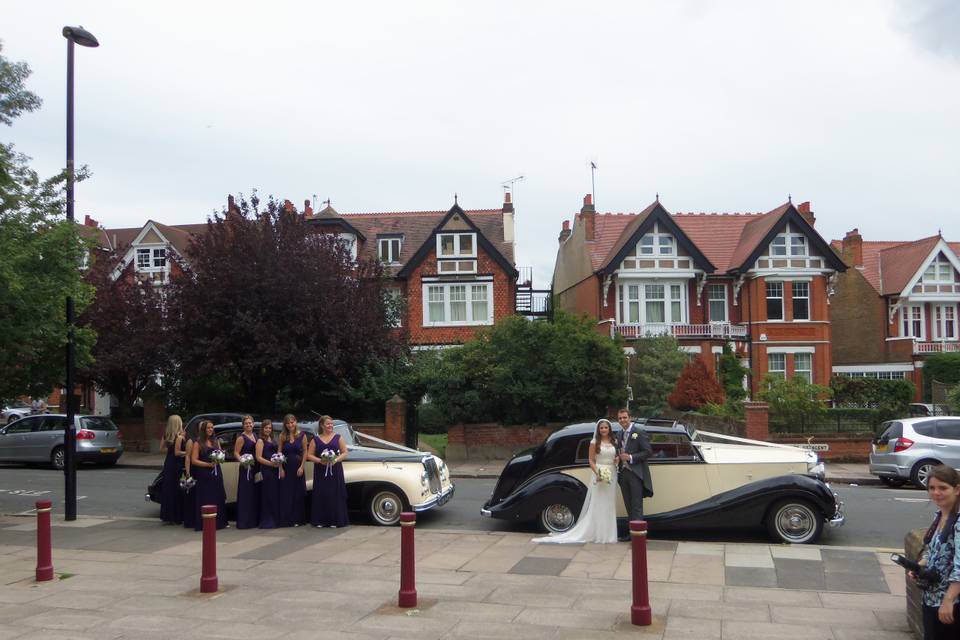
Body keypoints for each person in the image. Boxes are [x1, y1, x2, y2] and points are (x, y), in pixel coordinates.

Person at [533, 419, 619, 544]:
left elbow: (614, 457)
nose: (604, 430)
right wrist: (598, 473)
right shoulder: (594, 442)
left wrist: (616, 461)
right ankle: (599, 534)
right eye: (601, 428)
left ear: (609, 429)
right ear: (598, 430)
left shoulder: (614, 441)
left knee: (609, 504)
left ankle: (608, 534)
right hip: (599, 472)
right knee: (599, 503)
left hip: (612, 473)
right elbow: (591, 460)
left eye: (606, 427)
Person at [912, 465, 960, 639]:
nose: (936, 493)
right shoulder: (939, 516)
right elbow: (932, 551)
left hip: (951, 604)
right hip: (931, 599)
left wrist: (948, 601)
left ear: (957, 489)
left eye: (942, 488)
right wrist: (920, 566)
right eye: (932, 488)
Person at [616, 408, 653, 541]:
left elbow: (648, 452)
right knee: (628, 504)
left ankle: (639, 536)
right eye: (620, 418)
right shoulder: (619, 434)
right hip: (623, 473)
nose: (622, 420)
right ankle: (632, 534)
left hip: (636, 473)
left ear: (630, 418)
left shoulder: (639, 432)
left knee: (636, 505)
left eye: (624, 417)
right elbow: (618, 451)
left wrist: (630, 457)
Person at [307, 415, 349, 528]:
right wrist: (320, 461)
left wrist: (335, 459)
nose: (330, 425)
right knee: (322, 494)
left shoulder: (338, 437)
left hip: (335, 470)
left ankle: (335, 520)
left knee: (334, 494)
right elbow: (309, 455)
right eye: (328, 424)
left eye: (331, 424)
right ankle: (320, 520)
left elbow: (345, 452)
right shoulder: (315, 439)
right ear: (322, 425)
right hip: (321, 471)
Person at [190, 420, 227, 530]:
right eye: (208, 428)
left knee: (217, 496)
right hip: (204, 474)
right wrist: (207, 464)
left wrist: (220, 457)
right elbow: (194, 460)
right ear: (203, 430)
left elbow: (221, 453)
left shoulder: (215, 441)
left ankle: (219, 523)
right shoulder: (198, 443)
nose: (210, 430)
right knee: (206, 498)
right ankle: (204, 523)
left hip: (216, 472)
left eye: (212, 428)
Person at [277, 414, 307, 527]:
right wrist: (280, 468)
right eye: (288, 423)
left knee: (297, 493)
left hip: (298, 467)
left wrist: (302, 467)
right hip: (286, 467)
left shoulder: (302, 435)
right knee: (286, 494)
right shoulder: (282, 436)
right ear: (285, 424)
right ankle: (287, 520)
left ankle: (298, 519)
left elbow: (305, 451)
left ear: (296, 422)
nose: (290, 425)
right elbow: (279, 453)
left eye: (292, 422)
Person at [233, 415, 259, 529]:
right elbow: (236, 453)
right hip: (246, 468)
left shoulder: (255, 435)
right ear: (243, 425)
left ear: (253, 424)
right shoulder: (241, 438)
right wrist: (243, 461)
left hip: (255, 467)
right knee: (246, 493)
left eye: (250, 423)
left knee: (254, 493)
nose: (248, 425)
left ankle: (253, 520)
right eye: (246, 423)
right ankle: (244, 521)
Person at [159, 415, 185, 524]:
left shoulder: (166, 435)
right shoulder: (180, 436)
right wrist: (187, 452)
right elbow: (178, 452)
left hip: (169, 462)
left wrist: (170, 449)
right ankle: (177, 516)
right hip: (177, 463)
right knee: (177, 489)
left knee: (169, 489)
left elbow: (161, 449)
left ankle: (168, 515)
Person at [256, 419, 281, 529]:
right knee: (268, 494)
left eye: (270, 428)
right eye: (266, 428)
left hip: (275, 470)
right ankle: (268, 520)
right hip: (267, 470)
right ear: (262, 429)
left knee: (275, 494)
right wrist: (271, 464)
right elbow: (258, 457)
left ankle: (276, 518)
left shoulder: (273, 439)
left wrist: (279, 461)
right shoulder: (260, 441)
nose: (268, 430)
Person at [181, 433, 197, 530]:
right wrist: (187, 472)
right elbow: (187, 457)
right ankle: (189, 520)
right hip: (192, 470)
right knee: (191, 494)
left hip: (199, 470)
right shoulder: (191, 441)